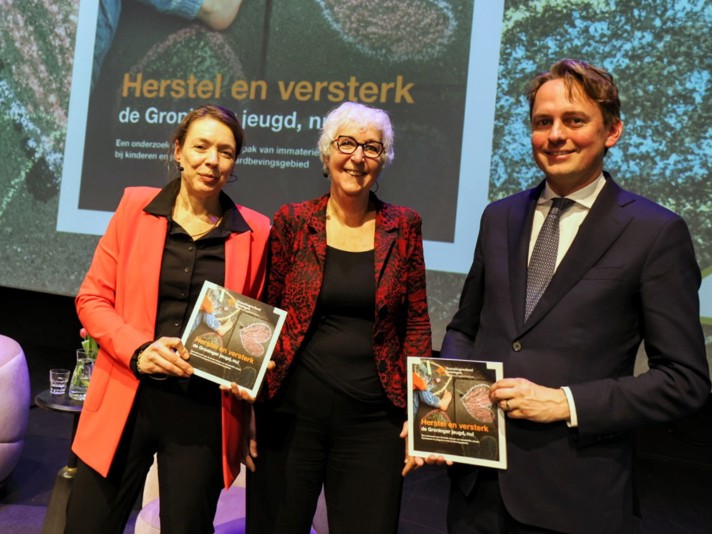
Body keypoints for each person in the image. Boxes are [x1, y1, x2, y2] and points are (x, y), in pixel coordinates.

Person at [439, 59, 710, 533]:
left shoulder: (655, 232)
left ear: (613, 131)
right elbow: (465, 327)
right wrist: (447, 404)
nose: (556, 135)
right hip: (475, 490)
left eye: (574, 120)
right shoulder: (498, 217)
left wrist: (565, 403)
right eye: (543, 122)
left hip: (575, 497)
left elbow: (684, 380)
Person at [65, 104, 270, 534]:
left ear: (235, 163)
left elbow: (255, 332)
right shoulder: (135, 207)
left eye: (226, 151)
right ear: (178, 150)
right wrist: (139, 350)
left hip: (204, 411)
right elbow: (92, 298)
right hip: (127, 395)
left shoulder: (255, 232)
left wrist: (252, 383)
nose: (211, 160)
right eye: (201, 146)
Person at [247, 101, 432, 533]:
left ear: (383, 160)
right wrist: (248, 407)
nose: (358, 157)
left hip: (373, 421)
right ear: (326, 153)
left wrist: (423, 416)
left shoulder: (403, 225)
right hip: (291, 415)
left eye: (372, 147)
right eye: (346, 143)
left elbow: (417, 322)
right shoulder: (293, 220)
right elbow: (266, 314)